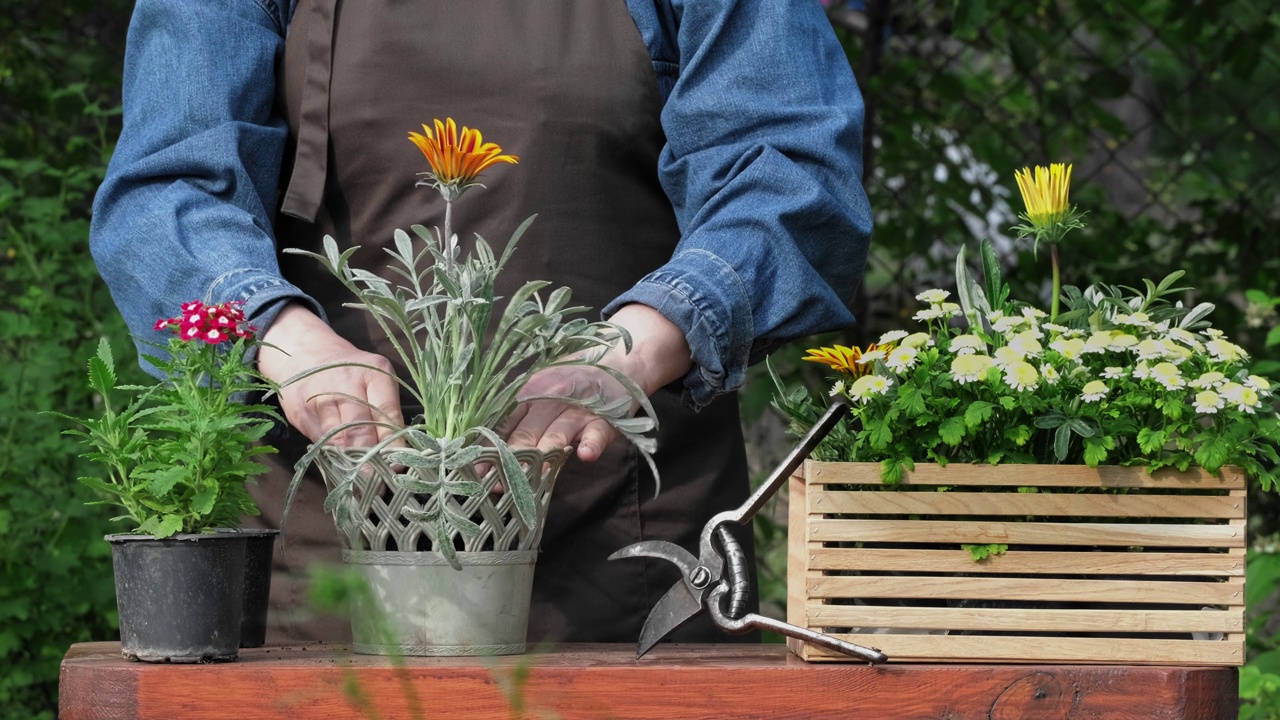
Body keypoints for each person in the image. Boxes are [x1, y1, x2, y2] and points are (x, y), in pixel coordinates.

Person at [90, 0, 873, 644]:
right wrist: (285, 337)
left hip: (622, 551)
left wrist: (634, 348)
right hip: (323, 542)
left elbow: (793, 173)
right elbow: (168, 188)